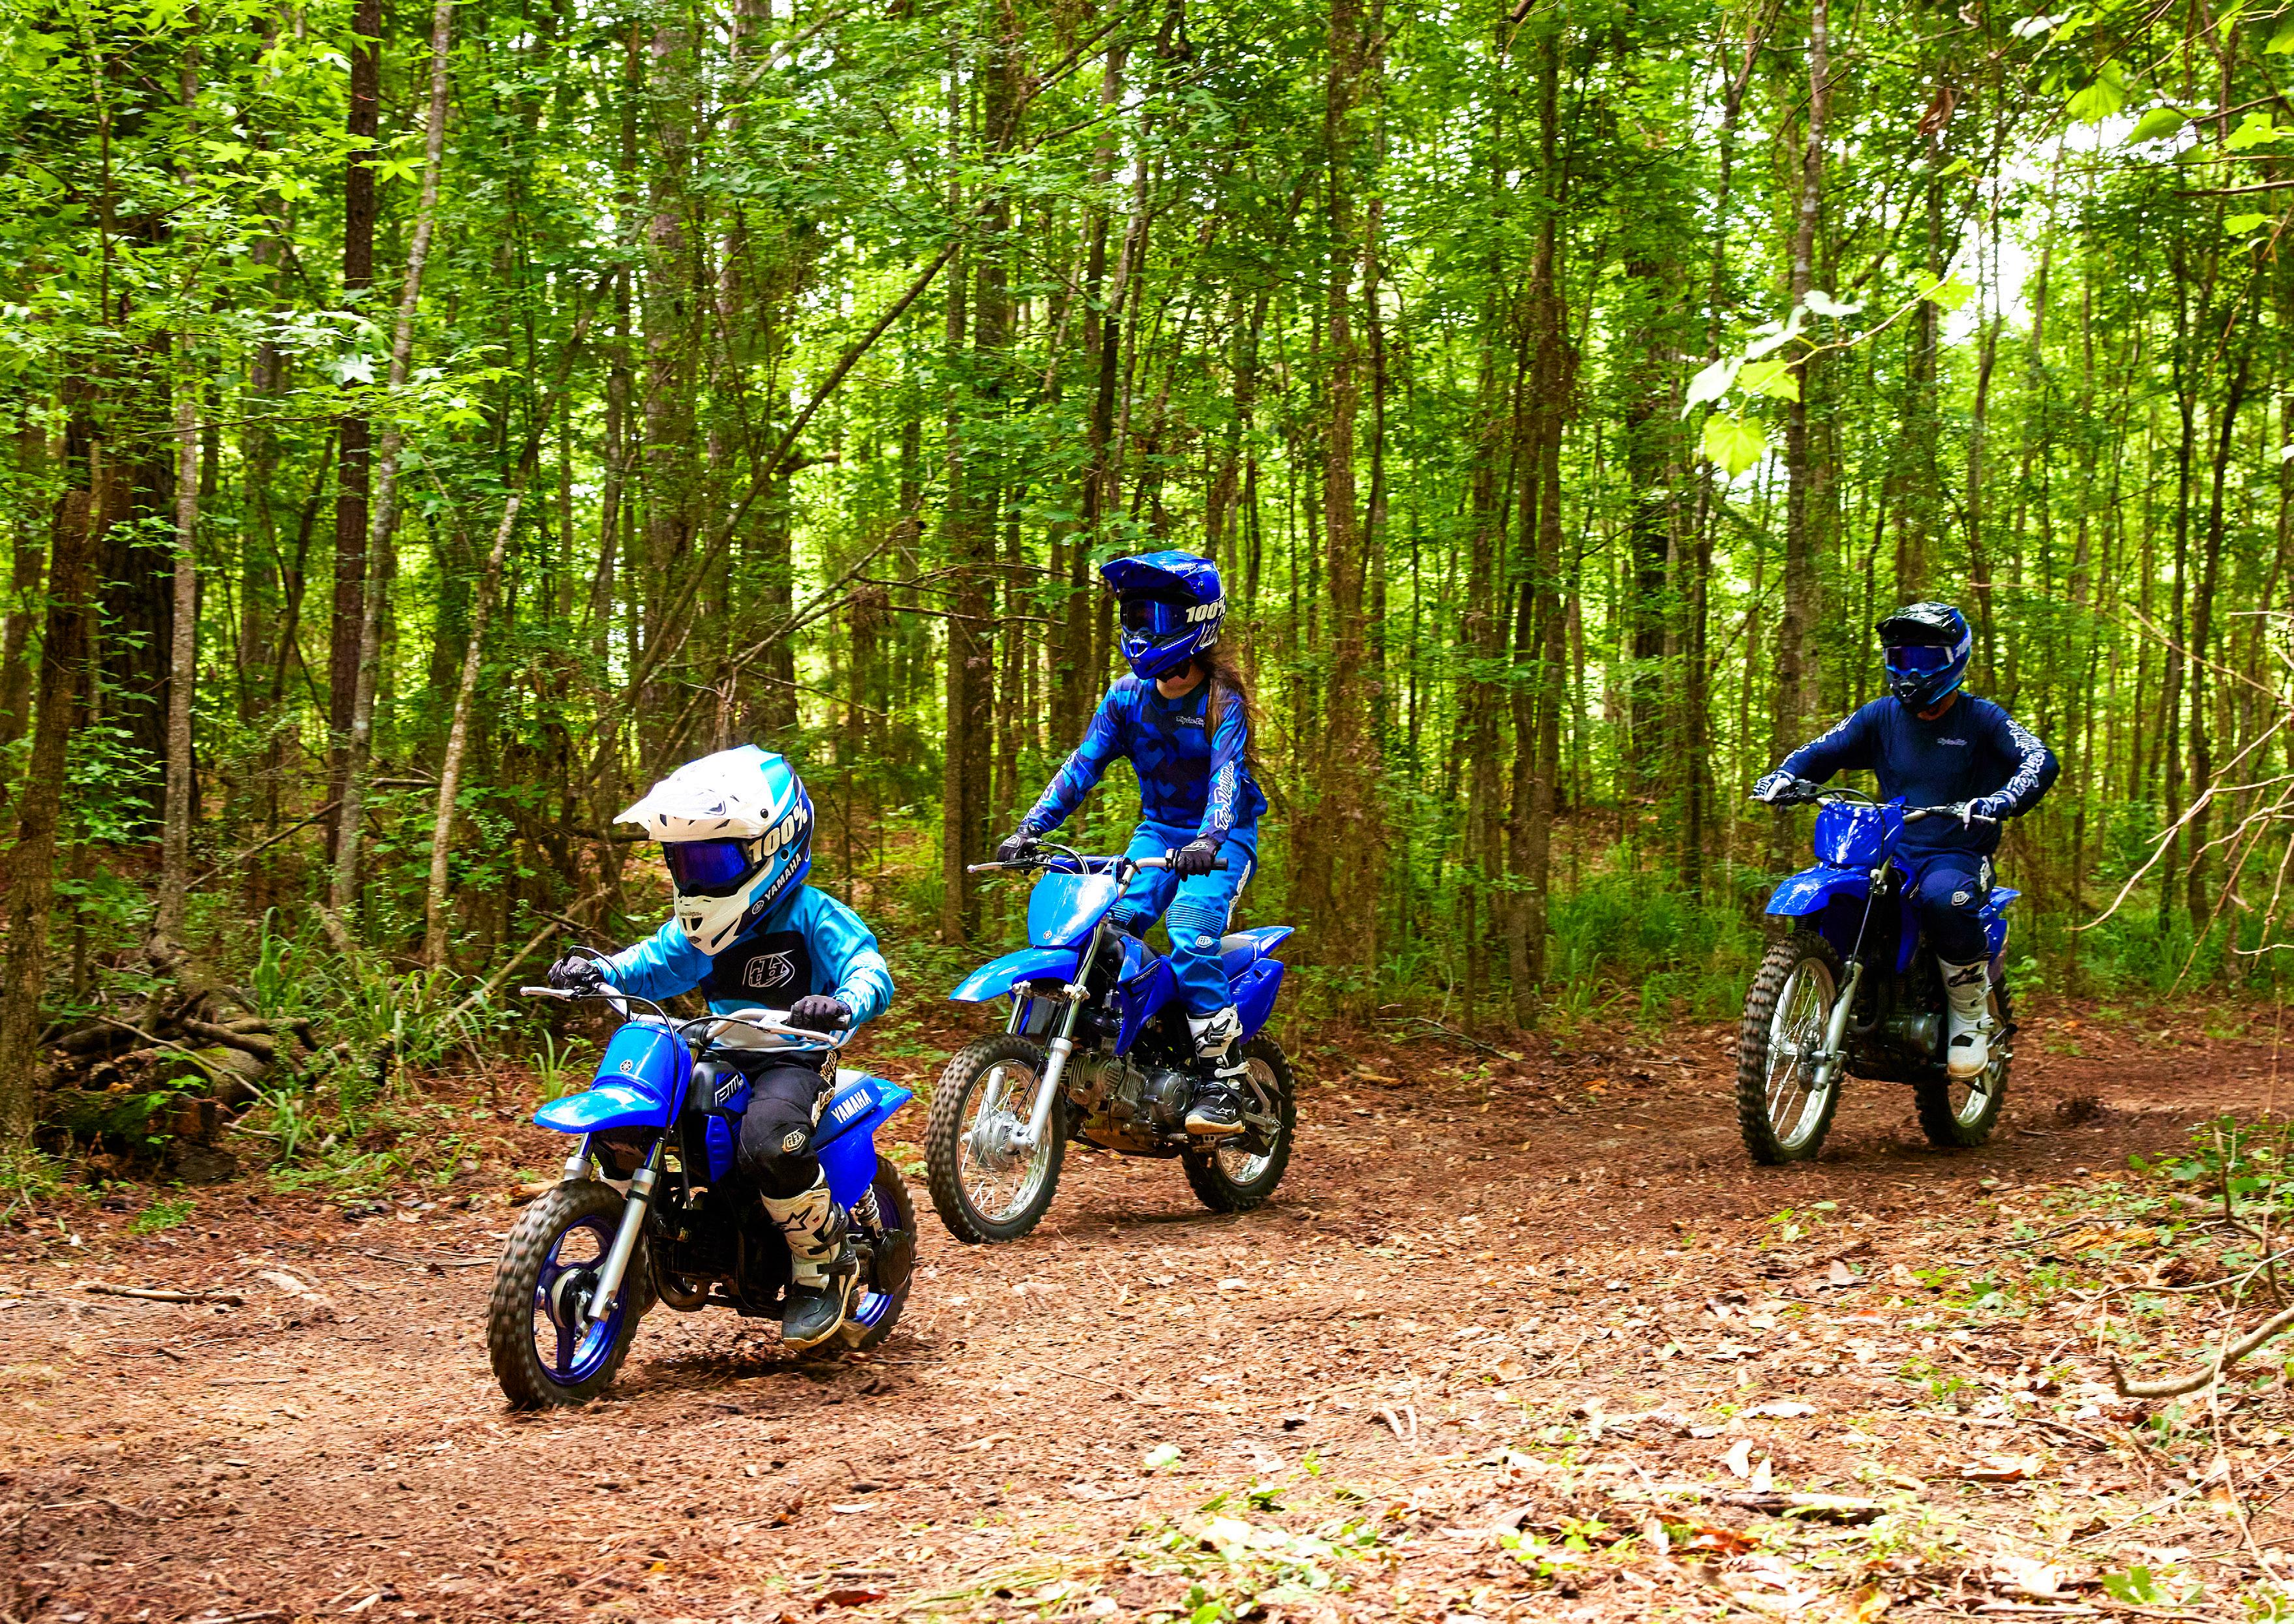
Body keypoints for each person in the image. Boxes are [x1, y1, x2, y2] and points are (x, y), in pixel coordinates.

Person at [545, 745, 894, 1352]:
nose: (696, 877)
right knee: (644, 1118)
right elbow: (651, 964)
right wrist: (600, 971)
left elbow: (869, 970)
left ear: (773, 847)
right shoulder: (701, 933)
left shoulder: (813, 915)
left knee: (768, 1141)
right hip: (721, 1051)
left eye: (712, 859)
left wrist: (840, 1003)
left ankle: (822, 1265)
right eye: (684, 860)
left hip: (794, 1057)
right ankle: (645, 1240)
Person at [995, 550, 1269, 1135]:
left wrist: (1210, 839)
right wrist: (1030, 828)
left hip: (1221, 842)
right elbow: (1082, 766)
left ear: (1196, 622)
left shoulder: (1221, 699)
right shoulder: (1125, 697)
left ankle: (1222, 1080)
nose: (1144, 629)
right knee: (1105, 933)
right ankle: (1114, 1060)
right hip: (1157, 833)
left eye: (1157, 617)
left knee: (1190, 931)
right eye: (1136, 615)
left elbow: (1226, 778)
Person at [1753, 602, 2058, 1081]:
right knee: (1842, 896)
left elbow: (2039, 760)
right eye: (1900, 658)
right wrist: (1785, 776)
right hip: (1890, 848)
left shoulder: (1982, 719)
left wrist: (2003, 798)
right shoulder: (1880, 716)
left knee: (1942, 899)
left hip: (1956, 853)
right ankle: (1834, 996)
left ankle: (1969, 1013)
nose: (1911, 672)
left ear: (1954, 659)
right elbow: (1823, 749)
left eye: (1925, 659)